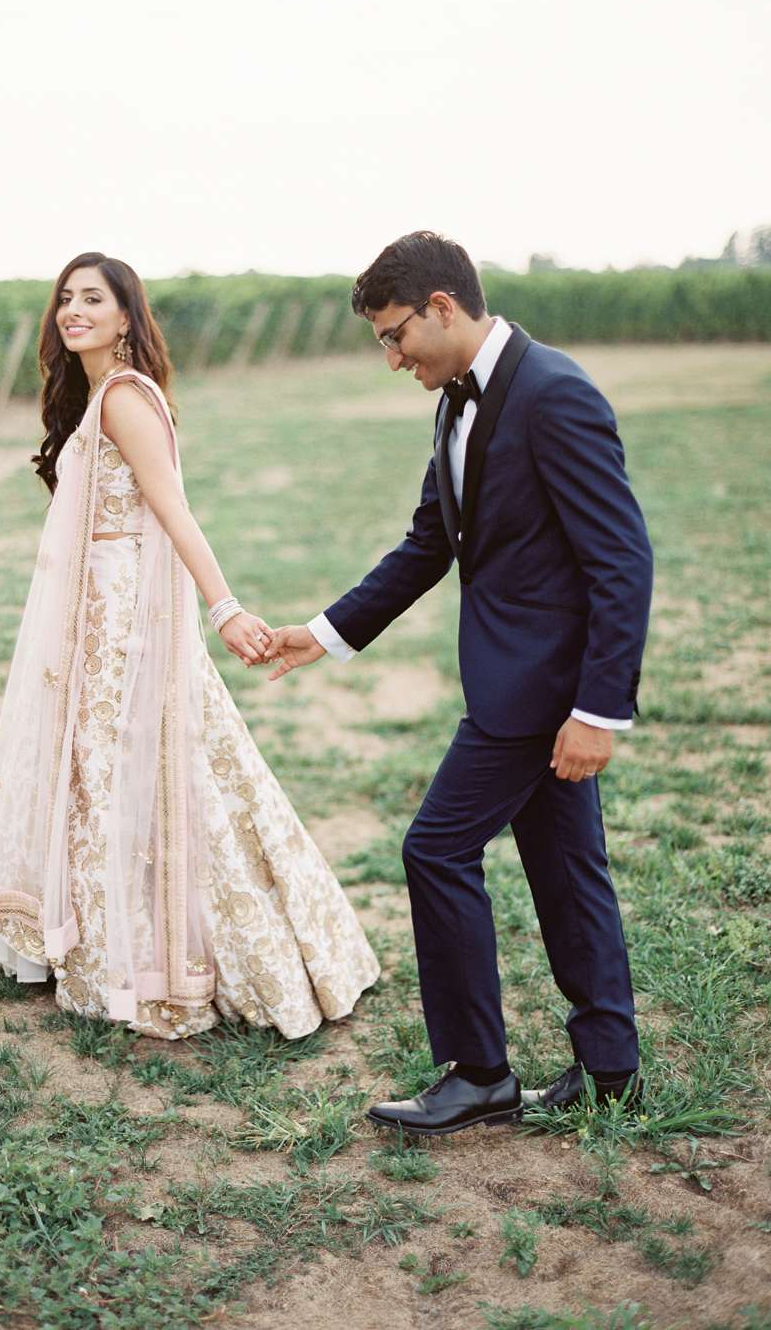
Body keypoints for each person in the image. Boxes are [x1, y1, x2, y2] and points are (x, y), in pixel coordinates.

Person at [266, 231, 652, 1133]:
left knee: (433, 849)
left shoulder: (555, 394)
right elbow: (430, 542)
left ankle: (479, 1072)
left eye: (397, 336)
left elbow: (621, 561)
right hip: (513, 686)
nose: (393, 358)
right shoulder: (454, 402)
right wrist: (325, 633)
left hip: (543, 693)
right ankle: (612, 1070)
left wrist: (598, 710)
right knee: (567, 873)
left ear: (443, 306)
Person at [0, 252, 379, 1039]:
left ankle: (190, 956)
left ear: (126, 316)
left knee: (157, 772)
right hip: (94, 621)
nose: (73, 311)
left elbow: (175, 512)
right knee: (107, 779)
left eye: (93, 299)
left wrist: (225, 609)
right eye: (65, 300)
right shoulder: (97, 395)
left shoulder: (123, 398)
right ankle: (103, 943)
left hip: (126, 627)